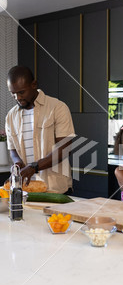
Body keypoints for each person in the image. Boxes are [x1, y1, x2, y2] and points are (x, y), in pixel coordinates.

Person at [5, 66, 75, 194]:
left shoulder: (57, 108)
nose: (17, 98)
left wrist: (34, 167)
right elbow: (13, 150)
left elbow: (64, 150)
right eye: (13, 93)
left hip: (55, 190)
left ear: (34, 84)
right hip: (26, 189)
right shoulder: (11, 116)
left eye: (21, 92)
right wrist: (18, 164)